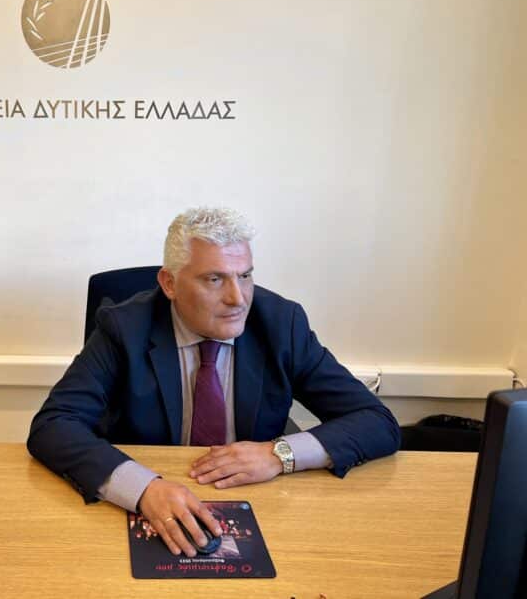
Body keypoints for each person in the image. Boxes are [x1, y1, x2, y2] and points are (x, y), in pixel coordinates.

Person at [27, 207, 400, 557]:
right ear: (169, 283)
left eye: (245, 276)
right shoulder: (124, 328)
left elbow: (376, 421)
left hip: (259, 501)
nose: (237, 299)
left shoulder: (281, 323)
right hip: (152, 503)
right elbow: (54, 425)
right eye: (215, 279)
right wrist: (143, 489)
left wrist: (279, 454)